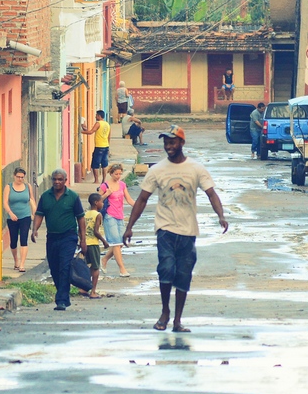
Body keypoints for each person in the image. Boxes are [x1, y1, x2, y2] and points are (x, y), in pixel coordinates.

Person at [124, 124, 228, 332]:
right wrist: (129, 226)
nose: (168, 146)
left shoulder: (196, 169)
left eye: (172, 142)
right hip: (165, 228)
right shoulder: (157, 170)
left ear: (181, 142)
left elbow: (211, 194)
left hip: (188, 231)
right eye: (166, 143)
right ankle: (165, 312)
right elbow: (142, 199)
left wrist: (221, 215)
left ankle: (178, 320)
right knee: (166, 268)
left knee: (183, 274)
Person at [31, 169, 88, 311]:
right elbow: (39, 214)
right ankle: (63, 296)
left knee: (64, 266)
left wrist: (83, 239)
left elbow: (80, 218)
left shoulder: (72, 197)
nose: (57, 182)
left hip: (68, 237)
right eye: (55, 179)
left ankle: (61, 300)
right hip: (52, 237)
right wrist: (34, 230)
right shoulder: (45, 196)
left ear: (65, 180)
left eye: (60, 179)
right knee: (54, 268)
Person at [99, 163, 134, 278]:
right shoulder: (105, 186)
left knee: (120, 243)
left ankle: (104, 259)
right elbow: (97, 201)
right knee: (116, 243)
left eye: (120, 174)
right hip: (109, 216)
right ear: (111, 173)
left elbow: (128, 199)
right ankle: (122, 269)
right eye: (116, 174)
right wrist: (105, 195)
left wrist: (139, 206)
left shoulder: (122, 185)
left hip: (120, 216)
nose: (118, 176)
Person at [2, 167, 36, 273]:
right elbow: (5, 202)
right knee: (13, 241)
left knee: (24, 239)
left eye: (22, 177)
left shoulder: (27, 186)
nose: (20, 179)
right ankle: (16, 260)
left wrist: (35, 213)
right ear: (14, 176)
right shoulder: (9, 187)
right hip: (12, 218)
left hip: (25, 216)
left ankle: (22, 264)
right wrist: (11, 213)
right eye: (18, 177)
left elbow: (31, 200)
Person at [83, 193, 110, 298]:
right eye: (101, 202)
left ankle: (83, 288)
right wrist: (104, 241)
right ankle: (93, 291)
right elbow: (96, 231)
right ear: (96, 203)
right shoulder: (98, 215)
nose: (102, 204)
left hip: (85, 243)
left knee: (87, 267)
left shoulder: (86, 214)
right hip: (93, 243)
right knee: (95, 268)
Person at [80, 110, 111, 185]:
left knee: (95, 164)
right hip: (106, 146)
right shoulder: (107, 124)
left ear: (99, 116)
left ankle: (96, 180)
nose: (95, 117)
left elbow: (91, 132)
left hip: (99, 146)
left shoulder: (98, 123)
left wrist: (80, 132)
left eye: (96, 115)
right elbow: (109, 136)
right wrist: (108, 146)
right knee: (104, 164)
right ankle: (103, 180)